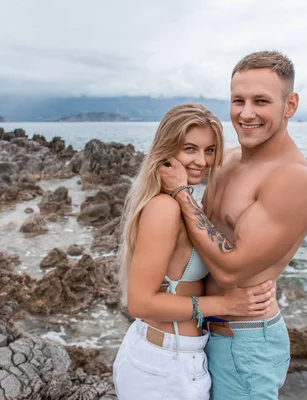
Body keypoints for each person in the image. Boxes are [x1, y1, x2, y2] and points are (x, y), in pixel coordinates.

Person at [158, 51, 307, 399]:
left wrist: (183, 195)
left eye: (261, 101)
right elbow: (192, 232)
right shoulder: (227, 159)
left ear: (290, 105)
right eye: (238, 100)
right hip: (201, 331)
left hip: (245, 343)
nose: (246, 113)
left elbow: (231, 270)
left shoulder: (291, 179)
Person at [113, 103, 277, 400]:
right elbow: (139, 302)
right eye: (190, 149)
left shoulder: (183, 204)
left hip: (178, 358)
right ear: (166, 150)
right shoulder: (164, 208)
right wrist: (225, 304)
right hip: (161, 367)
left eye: (210, 150)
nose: (201, 161)